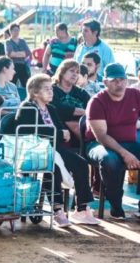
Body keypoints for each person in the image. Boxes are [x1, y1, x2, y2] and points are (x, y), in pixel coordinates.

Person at [11, 74, 98, 226]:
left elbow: (59, 131)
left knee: (81, 163)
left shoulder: (51, 108)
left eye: (51, 88)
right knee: (53, 167)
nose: (51, 92)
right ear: (35, 92)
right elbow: (34, 133)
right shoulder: (27, 108)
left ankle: (82, 209)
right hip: (34, 152)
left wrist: (59, 133)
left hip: (53, 148)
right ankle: (57, 209)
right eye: (46, 89)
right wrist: (59, 133)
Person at [84, 63, 140, 219]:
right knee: (110, 160)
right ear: (105, 82)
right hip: (98, 144)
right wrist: (125, 154)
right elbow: (101, 136)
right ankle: (116, 205)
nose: (119, 83)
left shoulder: (135, 95)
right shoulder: (97, 102)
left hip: (129, 142)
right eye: (114, 80)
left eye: (122, 79)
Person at [51, 59, 91, 138]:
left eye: (77, 72)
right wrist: (83, 112)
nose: (75, 74)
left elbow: (92, 108)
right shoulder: (51, 89)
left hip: (83, 127)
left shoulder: (82, 93)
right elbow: (56, 108)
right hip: (58, 130)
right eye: (72, 71)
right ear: (62, 72)